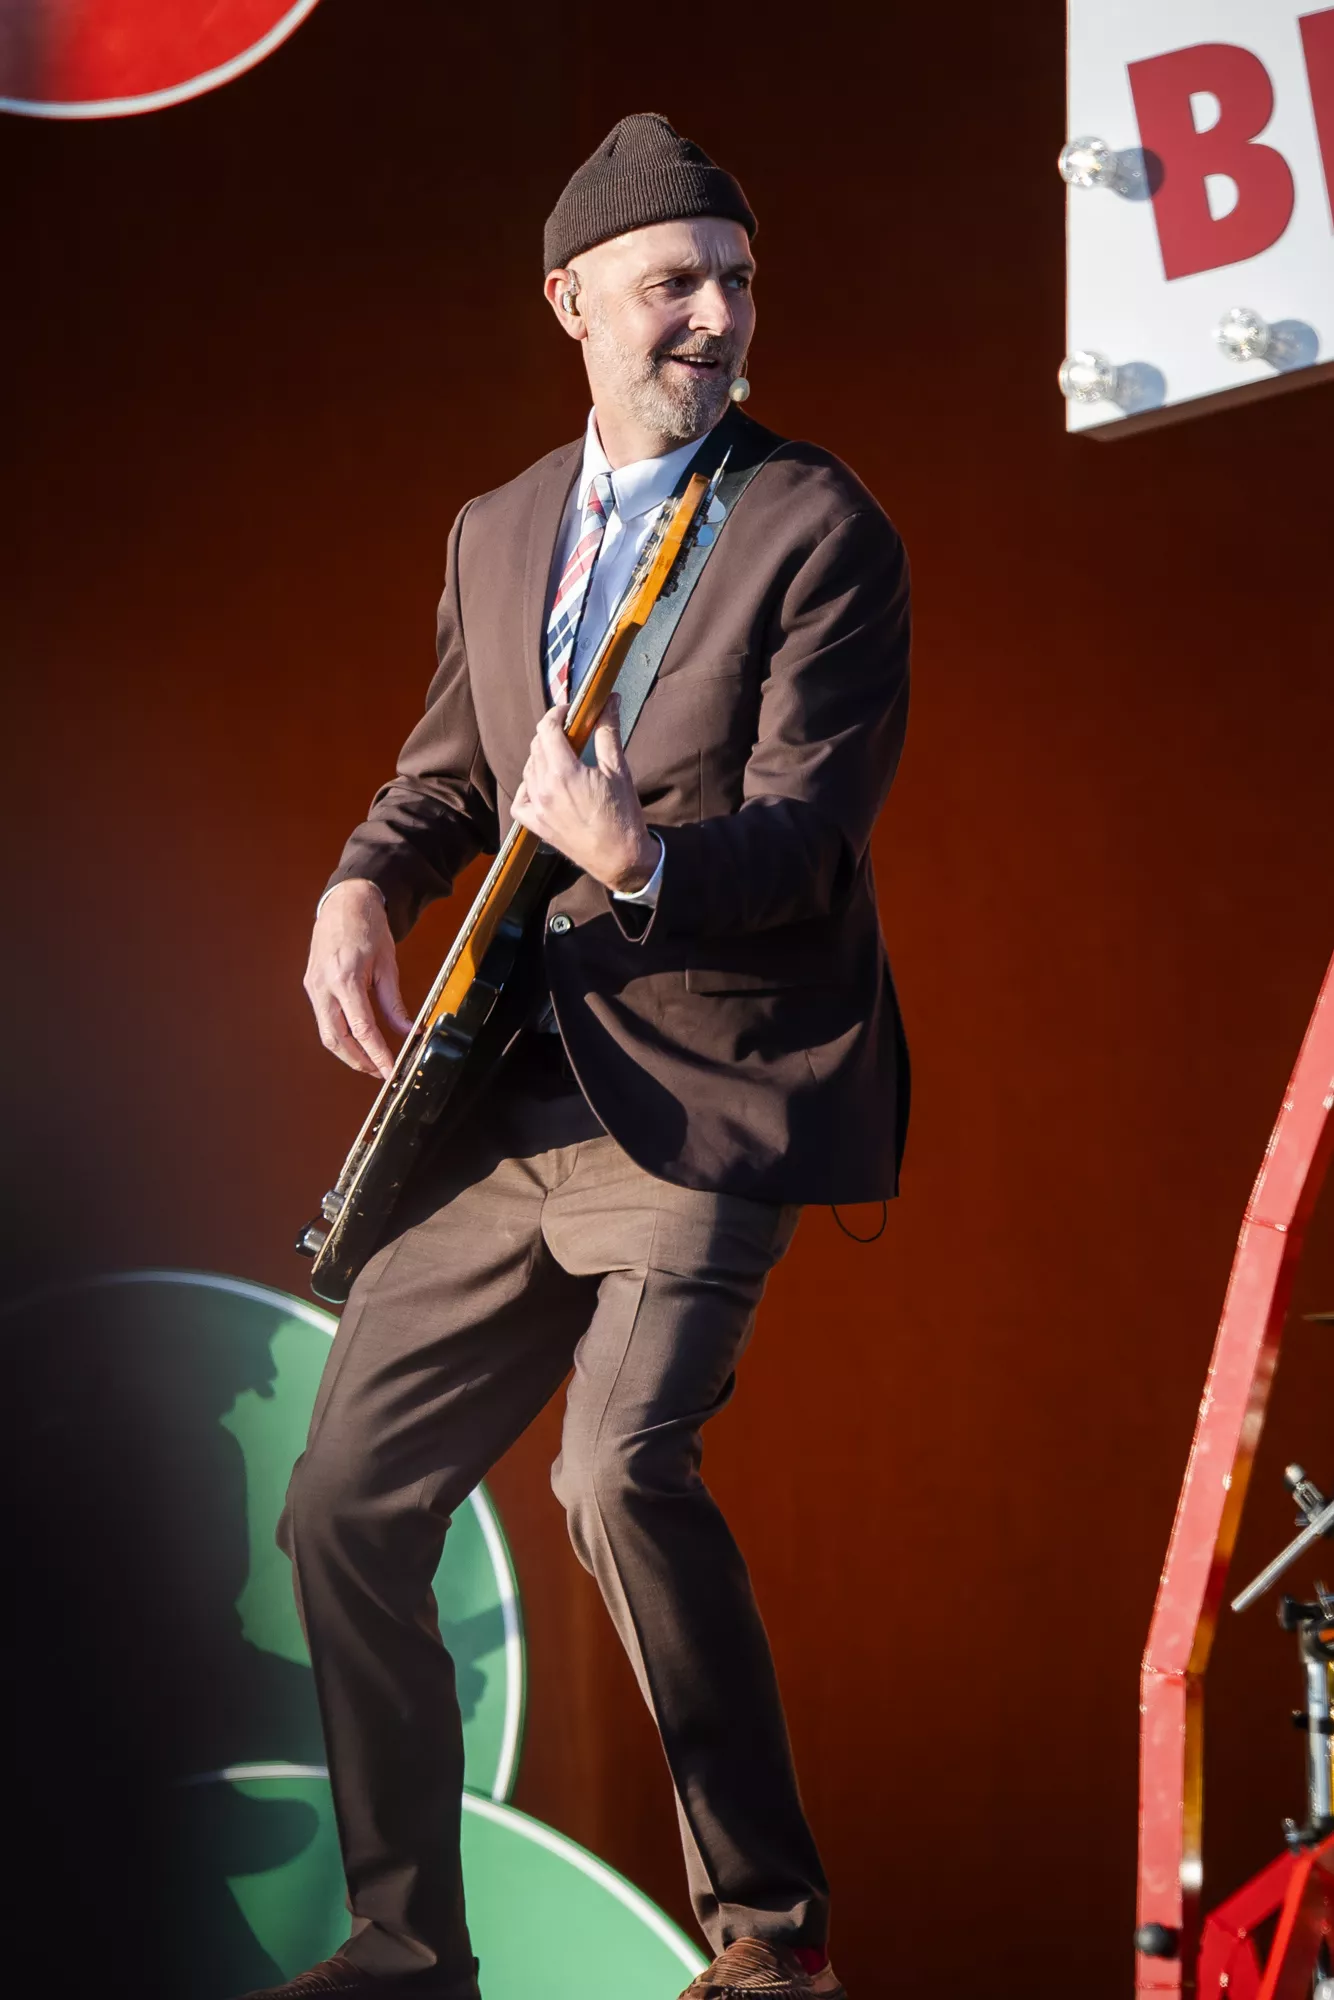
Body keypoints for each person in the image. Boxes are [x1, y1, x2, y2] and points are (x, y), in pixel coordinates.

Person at [247, 112, 910, 2000]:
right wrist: (358, 885)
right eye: (672, 282)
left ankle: (770, 1941)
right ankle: (403, 1951)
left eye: (736, 282)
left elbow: (808, 838)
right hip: (502, 1098)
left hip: (702, 1097)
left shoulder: (819, 528)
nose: (716, 315)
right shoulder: (499, 526)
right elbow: (450, 773)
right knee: (341, 1503)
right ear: (569, 302)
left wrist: (640, 860)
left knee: (614, 1472)